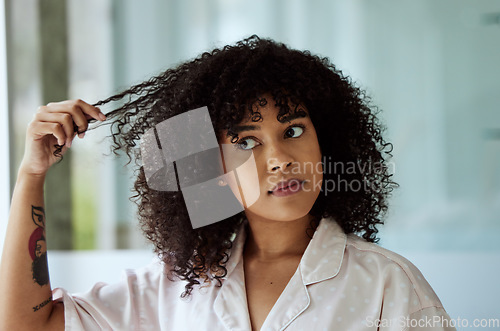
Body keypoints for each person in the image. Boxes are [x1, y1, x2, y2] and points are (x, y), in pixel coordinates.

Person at [0, 35, 456, 330]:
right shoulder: (179, 284)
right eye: (245, 140)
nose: (279, 159)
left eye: (293, 131)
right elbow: (27, 325)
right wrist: (31, 175)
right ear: (211, 165)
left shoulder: (387, 285)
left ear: (328, 142)